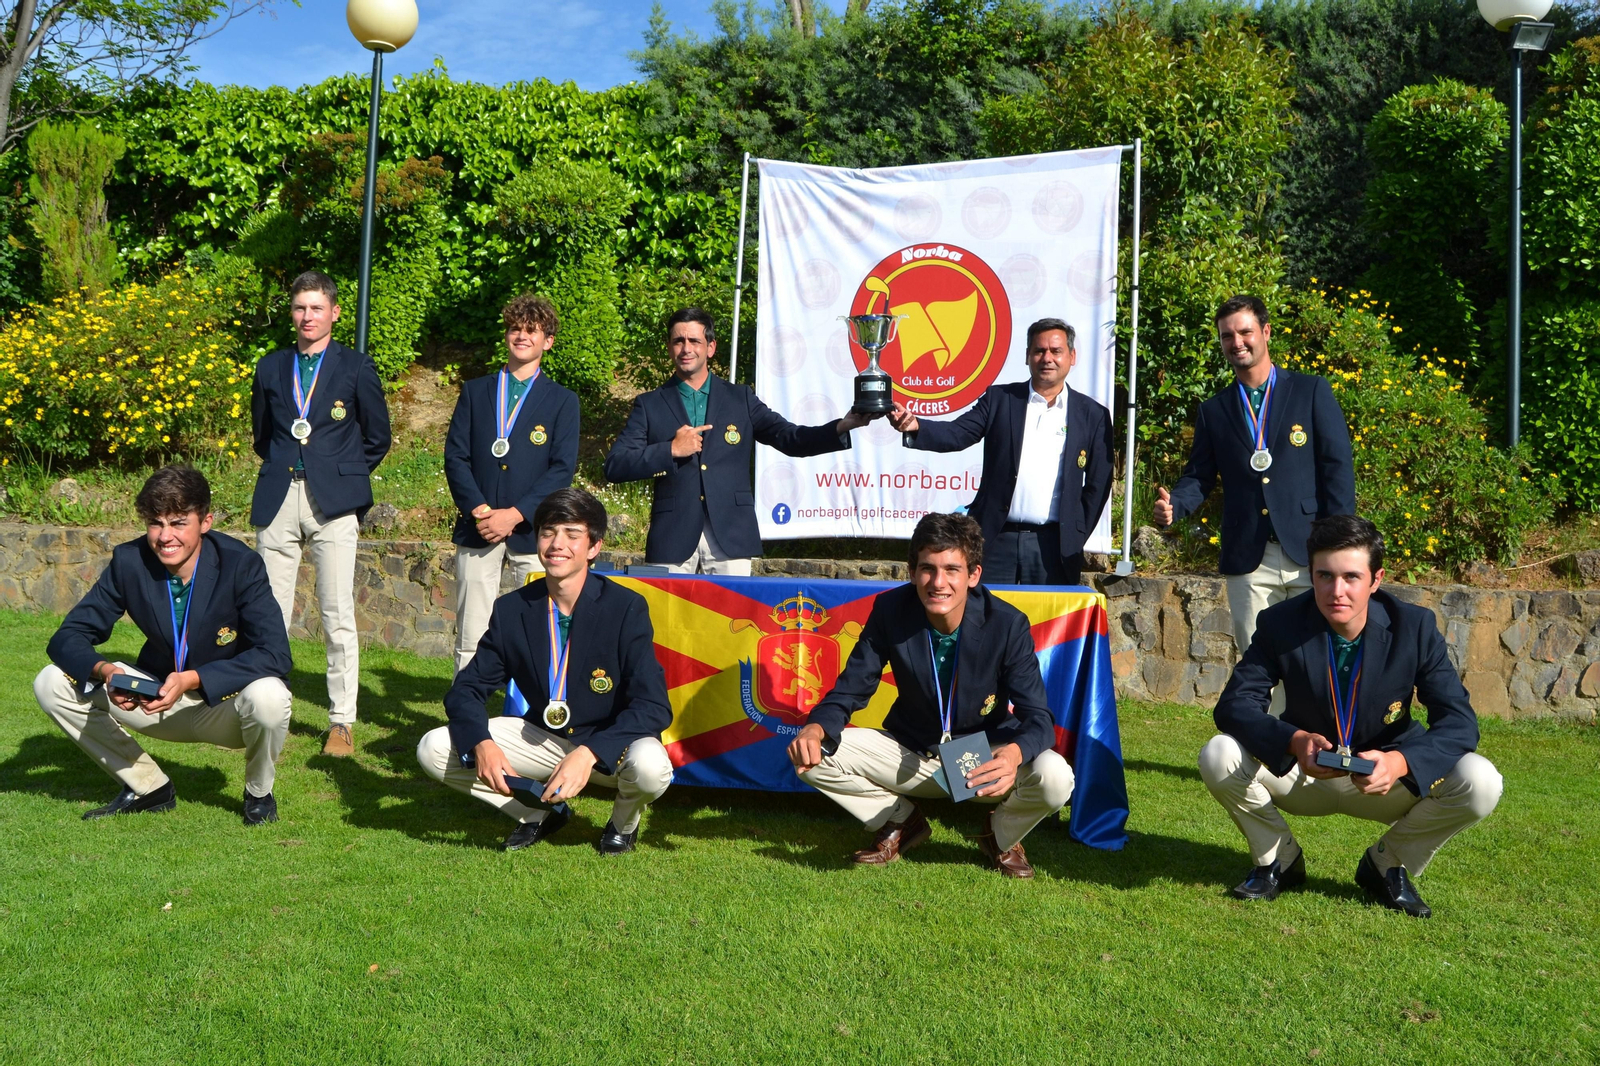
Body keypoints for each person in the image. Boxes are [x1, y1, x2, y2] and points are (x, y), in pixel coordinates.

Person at [1199, 514, 1502, 918]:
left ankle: (1387, 865)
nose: (1336, 590)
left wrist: (1400, 762)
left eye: (1351, 577)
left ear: (1376, 580)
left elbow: (1460, 722)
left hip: (1384, 779)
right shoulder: (1280, 622)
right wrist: (1292, 741)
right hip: (1304, 773)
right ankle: (1277, 859)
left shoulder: (1415, 627)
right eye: (1324, 576)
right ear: (1311, 573)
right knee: (1218, 754)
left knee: (1481, 781)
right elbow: (1234, 705)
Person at [786, 512, 1073, 879]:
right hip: (914, 754)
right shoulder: (890, 610)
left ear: (974, 576)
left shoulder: (1007, 624)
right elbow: (852, 687)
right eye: (927, 569)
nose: (938, 583)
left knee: (1056, 777)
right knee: (810, 755)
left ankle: (999, 836)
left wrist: (1013, 754)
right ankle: (902, 821)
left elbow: (1039, 717)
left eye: (952, 569)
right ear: (911, 571)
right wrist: (815, 728)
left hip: (982, 761)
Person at [417, 488, 674, 855]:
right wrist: (483, 744)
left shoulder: (626, 607)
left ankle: (621, 826)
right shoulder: (512, 611)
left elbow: (654, 706)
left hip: (609, 746)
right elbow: (466, 690)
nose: (558, 544)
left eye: (572, 534)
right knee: (433, 748)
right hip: (544, 736)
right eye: (549, 532)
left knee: (651, 767)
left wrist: (588, 753)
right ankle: (537, 812)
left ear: (594, 547)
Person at [33, 466, 294, 826]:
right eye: (156, 523)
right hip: (153, 700)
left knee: (271, 695)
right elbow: (68, 636)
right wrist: (107, 672)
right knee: (51, 681)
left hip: (226, 708)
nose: (165, 536)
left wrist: (194, 679)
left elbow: (275, 654)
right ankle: (148, 787)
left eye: (178, 522)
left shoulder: (241, 564)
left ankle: (259, 794)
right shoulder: (129, 561)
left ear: (205, 521)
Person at [1153, 295, 1355, 681]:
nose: (1237, 342)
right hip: (1250, 557)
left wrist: (1338, 544)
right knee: (1260, 662)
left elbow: (1337, 470)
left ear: (1265, 332)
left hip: (1311, 553)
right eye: (1227, 336)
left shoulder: (1310, 391)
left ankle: (1322, 739)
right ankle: (1274, 740)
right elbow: (1198, 476)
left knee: (1318, 656)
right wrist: (1175, 506)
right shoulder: (1215, 410)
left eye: (1245, 332)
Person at [603, 307, 879, 574]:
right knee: (669, 621)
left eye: (694, 341)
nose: (686, 348)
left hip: (731, 537)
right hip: (672, 537)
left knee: (730, 619)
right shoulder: (649, 404)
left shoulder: (740, 398)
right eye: (678, 341)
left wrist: (842, 426)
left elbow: (790, 438)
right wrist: (670, 450)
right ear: (669, 348)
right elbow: (615, 465)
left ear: (710, 347)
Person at [250, 270, 391, 757]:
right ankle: (269, 712)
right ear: (291, 314)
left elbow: (378, 437)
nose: (307, 316)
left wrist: (341, 473)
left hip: (333, 503)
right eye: (299, 308)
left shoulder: (355, 367)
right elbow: (262, 434)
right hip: (278, 498)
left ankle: (341, 722)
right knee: (269, 613)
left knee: (336, 614)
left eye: (316, 308)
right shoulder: (271, 367)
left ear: (334, 313)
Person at [888, 317, 1113, 586]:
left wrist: (1075, 533)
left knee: (1045, 626)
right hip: (994, 539)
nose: (1047, 358)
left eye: (1056, 351)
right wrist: (916, 426)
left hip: (1054, 547)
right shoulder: (1000, 400)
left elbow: (1099, 484)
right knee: (982, 620)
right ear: (1028, 356)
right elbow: (958, 434)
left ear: (1071, 356)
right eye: (1039, 351)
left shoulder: (1092, 415)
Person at [444, 293, 579, 673]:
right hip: (479, 528)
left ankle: (537, 718)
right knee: (471, 632)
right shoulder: (476, 391)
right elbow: (456, 456)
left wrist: (517, 513)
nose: (522, 336)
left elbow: (561, 469)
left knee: (539, 630)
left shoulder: (562, 401)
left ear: (547, 341)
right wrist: (481, 510)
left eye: (532, 331)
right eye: (516, 328)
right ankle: (465, 717)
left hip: (535, 532)